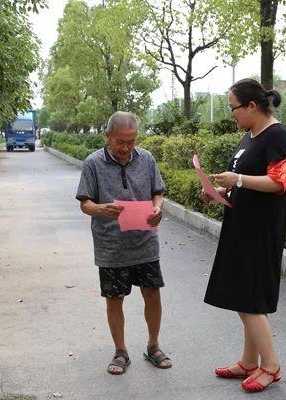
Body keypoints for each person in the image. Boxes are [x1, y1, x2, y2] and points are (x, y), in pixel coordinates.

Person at [201, 78, 286, 393]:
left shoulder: (276, 136)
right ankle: (248, 362)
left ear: (252, 106)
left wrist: (237, 180)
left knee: (250, 299)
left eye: (234, 108)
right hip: (240, 225)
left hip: (260, 230)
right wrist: (218, 190)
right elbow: (242, 181)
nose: (232, 115)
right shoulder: (249, 137)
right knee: (244, 295)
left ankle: (271, 366)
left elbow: (279, 183)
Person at [76, 111, 172, 375]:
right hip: (111, 245)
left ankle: (153, 346)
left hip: (145, 241)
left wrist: (157, 209)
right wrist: (101, 209)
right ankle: (120, 351)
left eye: (131, 141)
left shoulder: (147, 159)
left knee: (152, 293)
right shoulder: (92, 163)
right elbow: (85, 204)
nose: (126, 148)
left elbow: (158, 193)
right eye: (120, 142)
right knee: (114, 298)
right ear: (107, 136)